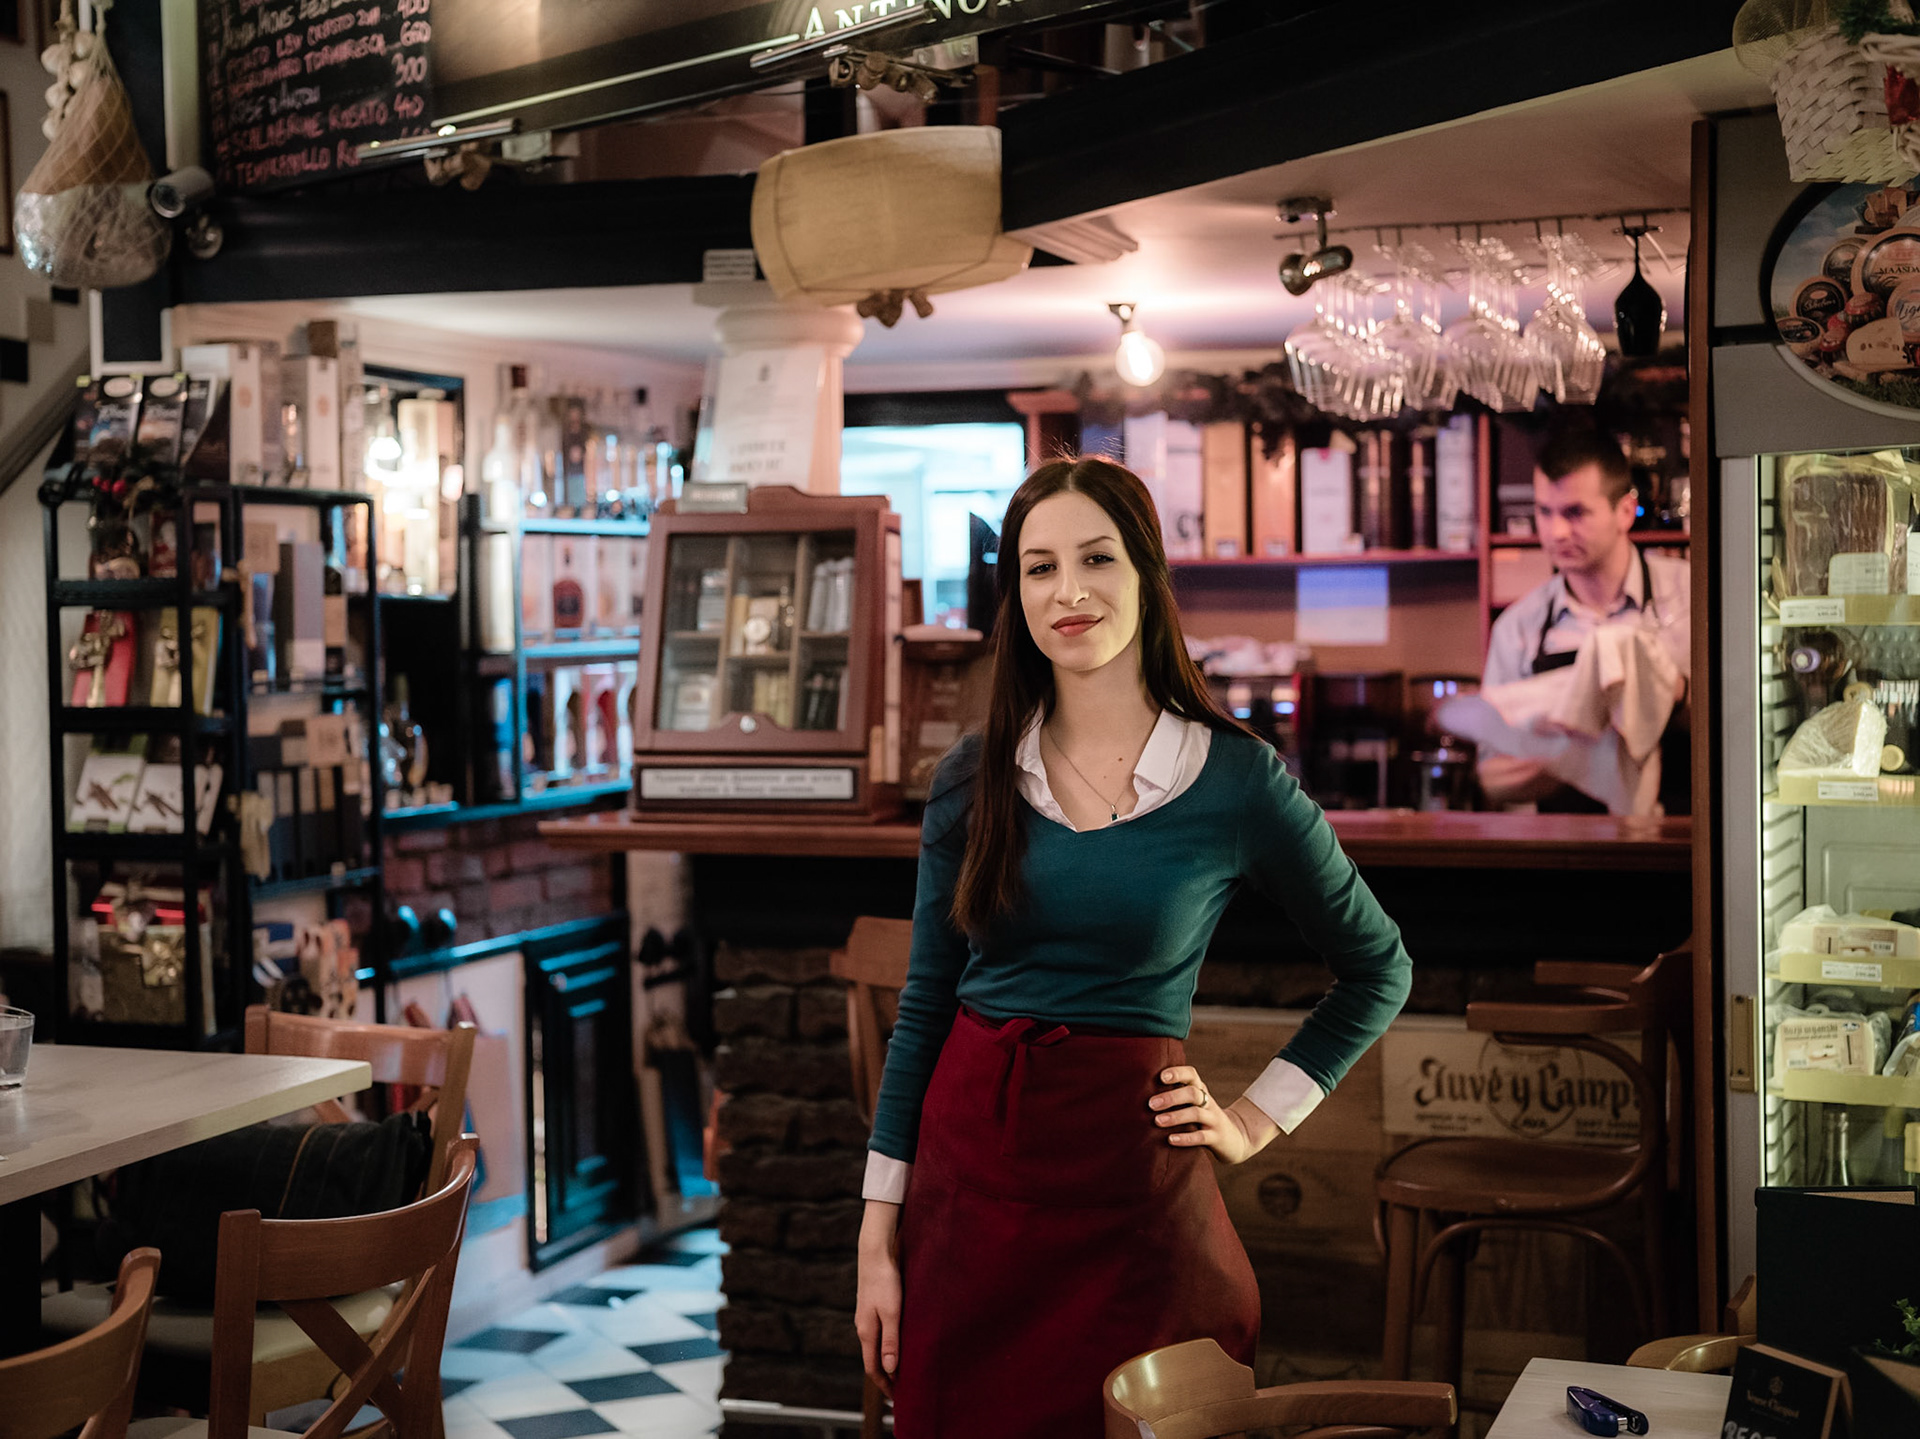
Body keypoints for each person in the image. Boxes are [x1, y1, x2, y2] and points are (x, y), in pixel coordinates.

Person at [853, 456, 1413, 1437]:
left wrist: (1250, 1120)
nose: (1067, 591)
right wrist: (874, 1232)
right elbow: (924, 1009)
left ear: (1148, 573)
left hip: (1131, 1190)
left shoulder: (1236, 779)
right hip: (971, 1185)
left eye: (1096, 557)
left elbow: (1379, 967)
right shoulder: (967, 776)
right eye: (1037, 567)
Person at [1478, 419, 1691, 813]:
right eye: (1544, 511)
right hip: (1570, 858)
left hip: (1684, 854)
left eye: (1575, 512)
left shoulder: (1693, 600)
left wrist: (1674, 693)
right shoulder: (1519, 628)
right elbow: (1493, 779)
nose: (1556, 531)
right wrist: (1577, 754)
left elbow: (1744, 728)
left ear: (1625, 511)